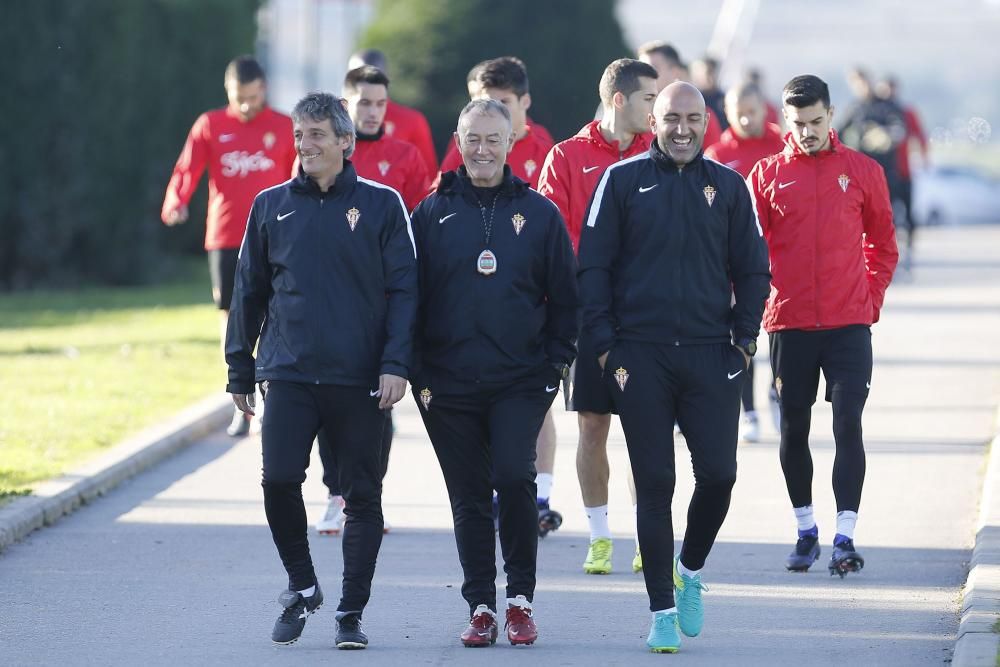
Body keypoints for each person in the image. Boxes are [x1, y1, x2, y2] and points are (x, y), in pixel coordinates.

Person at [578, 81, 770, 653]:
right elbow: (592, 267)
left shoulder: (730, 187)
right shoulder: (622, 181)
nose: (681, 128)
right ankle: (661, 609)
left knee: (720, 475)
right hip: (639, 356)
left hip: (713, 354)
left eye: (692, 117)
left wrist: (743, 341)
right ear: (652, 123)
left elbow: (754, 268)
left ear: (706, 121)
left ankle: (690, 570)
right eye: (670, 118)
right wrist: (610, 346)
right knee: (656, 482)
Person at [225, 92, 417, 649]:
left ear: (345, 142)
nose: (305, 145)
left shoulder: (382, 206)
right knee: (279, 480)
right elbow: (248, 291)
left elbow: (406, 290)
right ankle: (303, 584)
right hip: (287, 371)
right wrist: (240, 369)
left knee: (362, 497)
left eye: (316, 135)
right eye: (299, 136)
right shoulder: (270, 206)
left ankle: (351, 613)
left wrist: (396, 363)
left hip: (359, 379)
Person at [410, 99, 577, 648]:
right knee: (469, 495)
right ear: (458, 142)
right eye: (471, 140)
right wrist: (415, 372)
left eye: (492, 140)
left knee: (513, 477)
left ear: (511, 143)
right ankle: (482, 604)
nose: (481, 150)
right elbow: (406, 296)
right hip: (447, 383)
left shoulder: (540, 213)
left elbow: (565, 298)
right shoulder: (432, 213)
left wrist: (555, 364)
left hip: (520, 379)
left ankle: (521, 600)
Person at [747, 75, 898, 578]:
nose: (807, 131)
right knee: (794, 428)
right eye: (798, 123)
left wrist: (868, 300)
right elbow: (748, 252)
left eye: (815, 121)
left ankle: (845, 537)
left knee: (847, 421)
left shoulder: (863, 171)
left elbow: (883, 245)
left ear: (831, 116)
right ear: (784, 122)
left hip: (848, 323)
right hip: (789, 322)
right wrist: (758, 302)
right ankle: (806, 529)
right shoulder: (766, 174)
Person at [537, 58, 658, 576]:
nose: (657, 112)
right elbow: (550, 239)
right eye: (649, 101)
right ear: (619, 100)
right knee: (591, 427)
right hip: (590, 317)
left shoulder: (661, 157)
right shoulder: (566, 156)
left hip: (649, 319)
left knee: (645, 431)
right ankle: (600, 535)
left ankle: (645, 537)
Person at [312, 65, 428, 537]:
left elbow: (425, 224)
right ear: (345, 106)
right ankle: (334, 492)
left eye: (381, 103)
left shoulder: (406, 156)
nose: (374, 112)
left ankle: (365, 495)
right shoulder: (321, 156)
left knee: (378, 407)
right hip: (331, 306)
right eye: (364, 103)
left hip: (385, 307)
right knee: (326, 404)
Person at [161, 55, 296, 437]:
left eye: (252, 97)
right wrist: (176, 199)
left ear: (263, 90)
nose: (245, 105)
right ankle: (241, 401)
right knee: (231, 317)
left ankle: (274, 398)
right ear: (228, 91)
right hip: (225, 236)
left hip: (274, 235)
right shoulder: (211, 125)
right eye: (239, 97)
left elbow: (297, 178)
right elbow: (187, 169)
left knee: (275, 313)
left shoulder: (284, 127)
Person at [704, 81, 785, 443]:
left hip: (779, 260)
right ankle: (748, 410)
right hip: (735, 263)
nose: (743, 117)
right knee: (743, 333)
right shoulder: (718, 154)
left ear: (762, 109)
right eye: (737, 110)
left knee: (780, 338)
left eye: (750, 110)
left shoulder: (781, 146)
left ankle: (777, 391)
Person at [439, 57, 555, 189]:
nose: (497, 111)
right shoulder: (465, 151)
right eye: (490, 103)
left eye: (504, 102)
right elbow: (437, 203)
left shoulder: (548, 154)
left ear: (525, 101)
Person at [348, 48, 438, 174]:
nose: (366, 83)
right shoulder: (332, 120)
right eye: (357, 77)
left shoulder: (412, 120)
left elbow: (427, 176)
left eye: (374, 77)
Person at [876, 75, 929, 271]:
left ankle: (910, 247)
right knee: (887, 213)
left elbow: (919, 135)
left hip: (904, 171)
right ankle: (891, 248)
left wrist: (924, 158)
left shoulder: (906, 112)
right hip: (886, 173)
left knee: (908, 212)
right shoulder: (878, 112)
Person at [637, 41, 722, 147]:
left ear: (675, 72)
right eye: (641, 70)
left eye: (651, 69)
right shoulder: (634, 116)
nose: (643, 76)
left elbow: (712, 160)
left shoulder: (700, 115)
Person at [691, 57, 727, 131]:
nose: (712, 77)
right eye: (708, 73)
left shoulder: (725, 99)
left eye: (714, 72)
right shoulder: (694, 99)